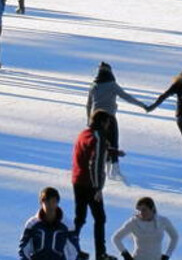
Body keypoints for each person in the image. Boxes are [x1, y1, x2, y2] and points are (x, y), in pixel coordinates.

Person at [85, 62, 145, 182]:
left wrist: (89, 120)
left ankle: (106, 169)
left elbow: (88, 104)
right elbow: (126, 97)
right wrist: (142, 105)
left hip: (95, 120)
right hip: (109, 118)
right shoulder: (112, 85)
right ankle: (115, 170)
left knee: (102, 144)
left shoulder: (94, 86)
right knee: (113, 142)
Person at [72, 110, 115, 260]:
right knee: (100, 218)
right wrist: (97, 188)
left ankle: (72, 249)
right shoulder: (99, 138)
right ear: (103, 122)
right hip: (90, 184)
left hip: (77, 180)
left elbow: (90, 150)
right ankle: (100, 254)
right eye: (108, 122)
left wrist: (111, 151)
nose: (109, 126)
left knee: (80, 217)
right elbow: (94, 164)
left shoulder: (84, 133)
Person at [18, 186, 82, 260]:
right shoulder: (32, 224)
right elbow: (23, 250)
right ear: (41, 203)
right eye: (47, 201)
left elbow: (74, 252)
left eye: (53, 201)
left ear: (57, 202)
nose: (50, 205)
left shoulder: (67, 225)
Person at [111, 196, 178, 260]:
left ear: (152, 209)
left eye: (144, 210)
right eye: (138, 210)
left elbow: (175, 237)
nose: (141, 213)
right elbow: (116, 238)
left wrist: (167, 255)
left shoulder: (163, 221)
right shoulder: (133, 222)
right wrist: (126, 255)